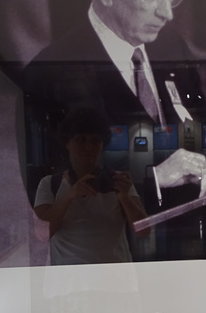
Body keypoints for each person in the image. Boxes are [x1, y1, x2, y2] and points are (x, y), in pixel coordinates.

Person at [24, 0, 206, 206]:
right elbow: (50, 191)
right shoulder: (51, 74)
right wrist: (153, 179)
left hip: (187, 220)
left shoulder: (169, 43)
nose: (167, 13)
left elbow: (192, 107)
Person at [34, 107, 147, 265]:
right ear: (67, 143)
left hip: (116, 276)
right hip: (68, 279)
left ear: (102, 144)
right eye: (81, 140)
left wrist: (125, 197)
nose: (89, 147)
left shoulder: (117, 182)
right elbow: (41, 234)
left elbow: (143, 231)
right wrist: (69, 195)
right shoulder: (50, 184)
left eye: (95, 141)